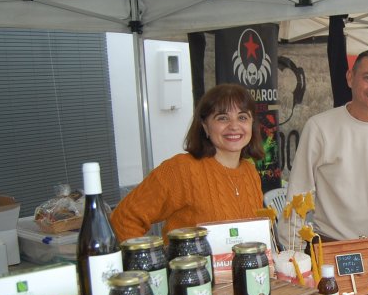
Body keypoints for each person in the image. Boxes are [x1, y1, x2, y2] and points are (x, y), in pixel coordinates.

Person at [282, 48, 368, 242]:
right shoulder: (320, 127)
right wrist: (291, 252)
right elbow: (298, 193)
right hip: (332, 244)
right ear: (350, 78)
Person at [111, 84, 264, 241]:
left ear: (252, 124)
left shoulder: (250, 172)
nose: (234, 126)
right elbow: (123, 219)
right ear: (205, 126)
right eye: (222, 118)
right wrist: (149, 262)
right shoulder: (181, 170)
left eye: (242, 117)